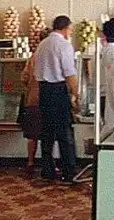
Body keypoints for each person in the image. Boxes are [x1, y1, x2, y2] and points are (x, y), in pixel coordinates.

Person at [34, 15, 79, 184]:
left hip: (44, 90)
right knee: (64, 132)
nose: (70, 33)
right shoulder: (64, 45)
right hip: (58, 90)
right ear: (65, 28)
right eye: (70, 29)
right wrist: (75, 94)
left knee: (47, 132)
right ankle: (69, 171)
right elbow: (69, 73)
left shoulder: (42, 44)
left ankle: (47, 169)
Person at [21, 28, 51, 174]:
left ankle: (30, 162)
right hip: (49, 100)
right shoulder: (52, 56)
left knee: (32, 135)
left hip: (32, 99)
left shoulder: (33, 57)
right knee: (48, 134)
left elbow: (24, 78)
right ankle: (48, 163)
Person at [99, 18, 114, 121]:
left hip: (100, 95)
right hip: (113, 96)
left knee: (105, 125)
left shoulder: (99, 51)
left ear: (103, 33)